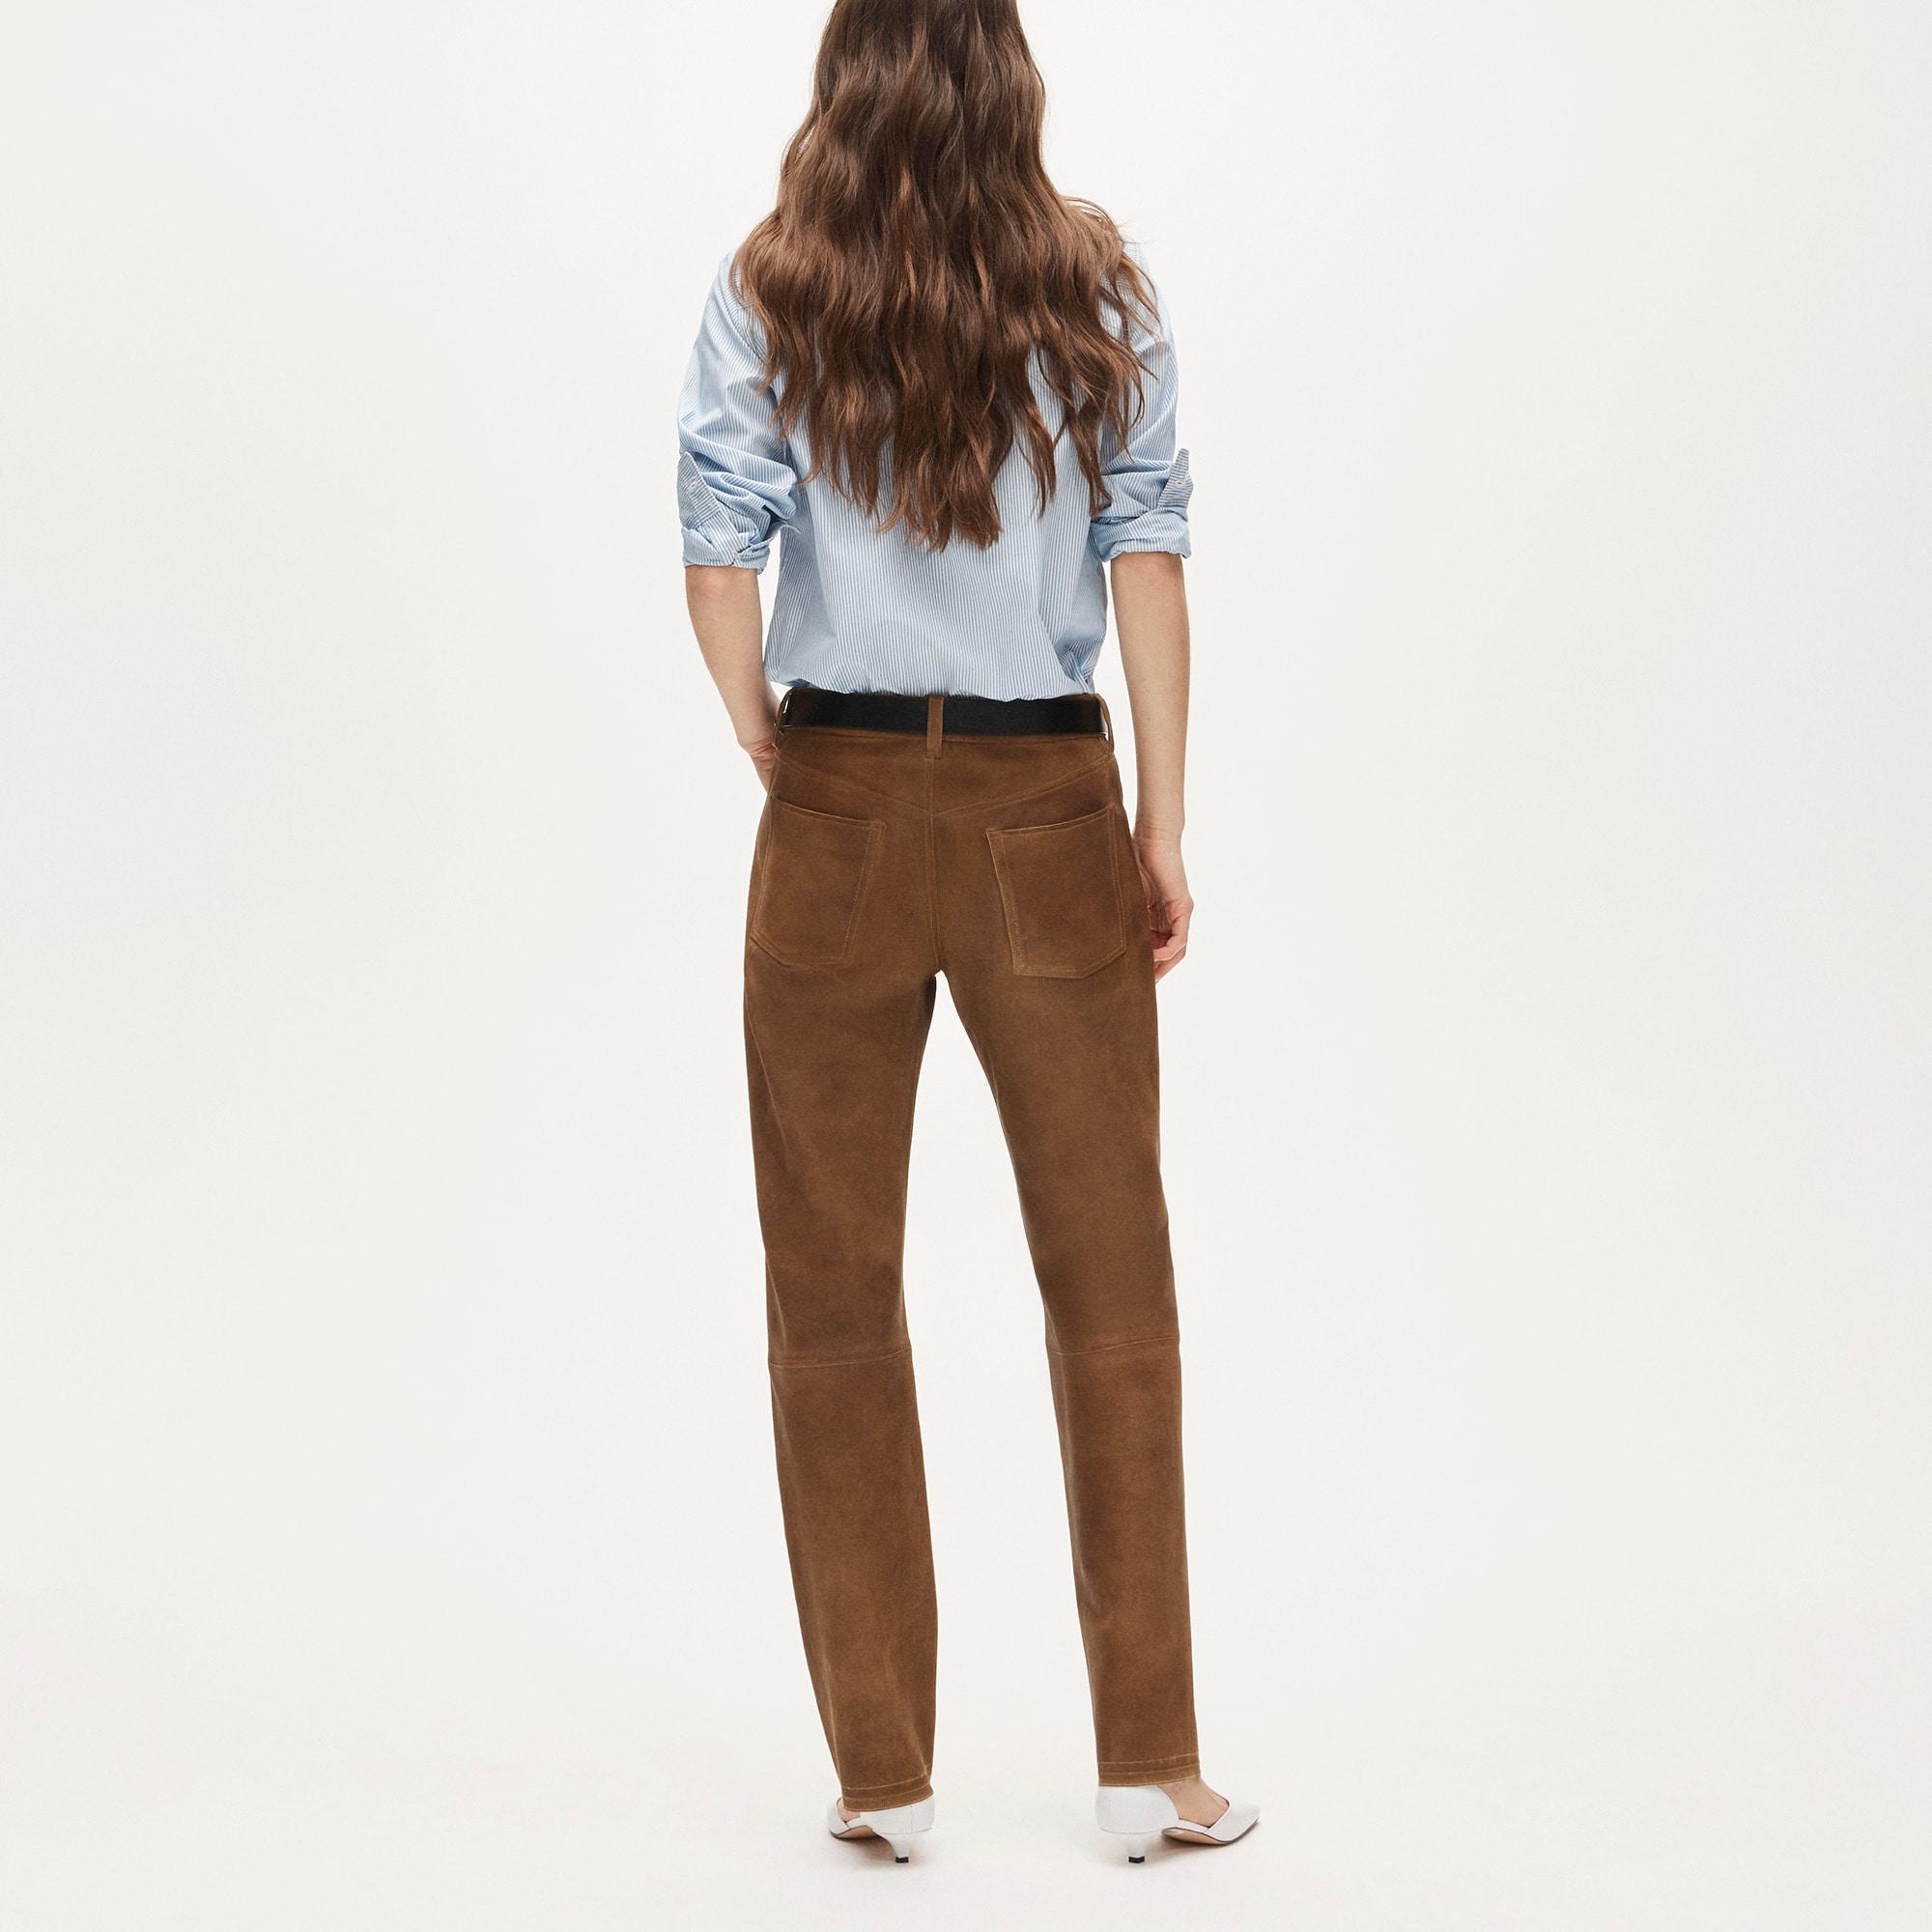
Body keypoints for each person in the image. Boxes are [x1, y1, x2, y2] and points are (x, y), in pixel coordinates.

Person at [675, 0, 1257, 1866]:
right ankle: (1151, 1765)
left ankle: (885, 1778)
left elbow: (717, 549)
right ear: (1013, 76)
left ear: (844, 75)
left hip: (835, 809)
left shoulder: (772, 285)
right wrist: (1159, 824)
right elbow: (1146, 550)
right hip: (1043, 808)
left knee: (832, 1296)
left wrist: (775, 745)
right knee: (1114, 1288)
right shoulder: (1101, 284)